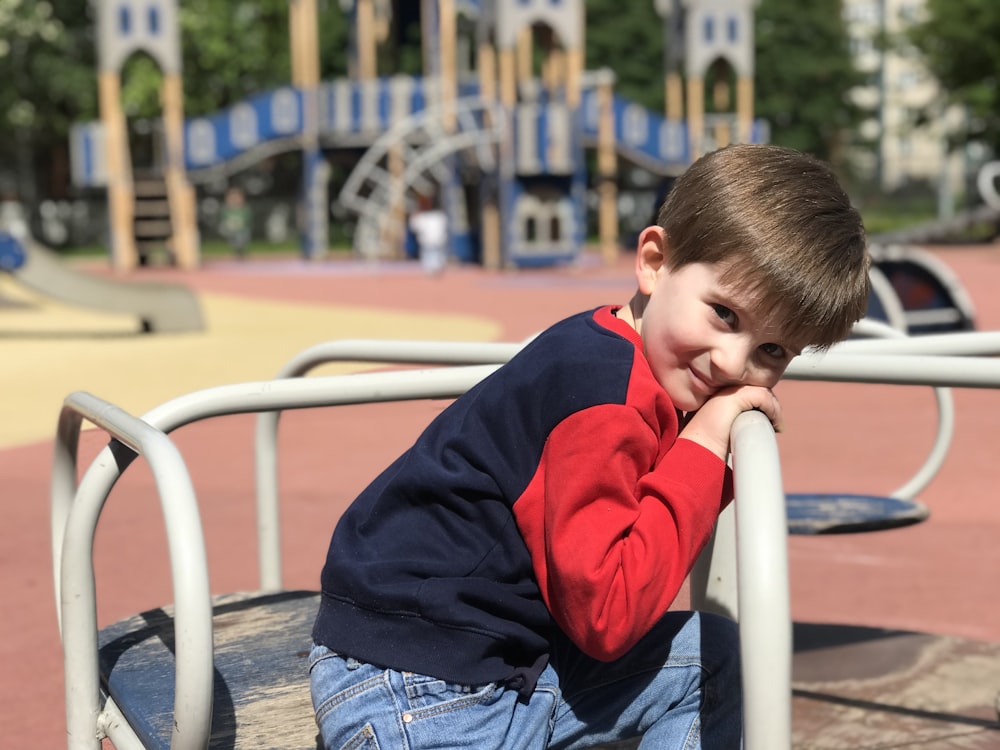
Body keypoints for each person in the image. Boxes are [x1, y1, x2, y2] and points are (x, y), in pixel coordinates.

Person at [309, 144, 870, 749]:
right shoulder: (603, 398)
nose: (732, 362)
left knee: (716, 658)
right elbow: (608, 617)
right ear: (655, 261)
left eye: (773, 352)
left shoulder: (615, 352)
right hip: (423, 688)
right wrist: (704, 446)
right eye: (725, 315)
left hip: (499, 664)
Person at [409, 191, 449, 275]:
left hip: (431, 241)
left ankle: (433, 269)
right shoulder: (440, 216)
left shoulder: (425, 217)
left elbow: (413, 227)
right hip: (436, 241)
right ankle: (435, 269)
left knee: (431, 257)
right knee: (434, 257)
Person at [219, 186, 252, 259]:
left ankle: (241, 252)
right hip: (230, 230)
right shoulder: (226, 209)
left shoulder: (244, 209)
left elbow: (246, 220)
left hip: (242, 230)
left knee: (241, 238)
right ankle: (236, 252)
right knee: (233, 240)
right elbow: (224, 221)